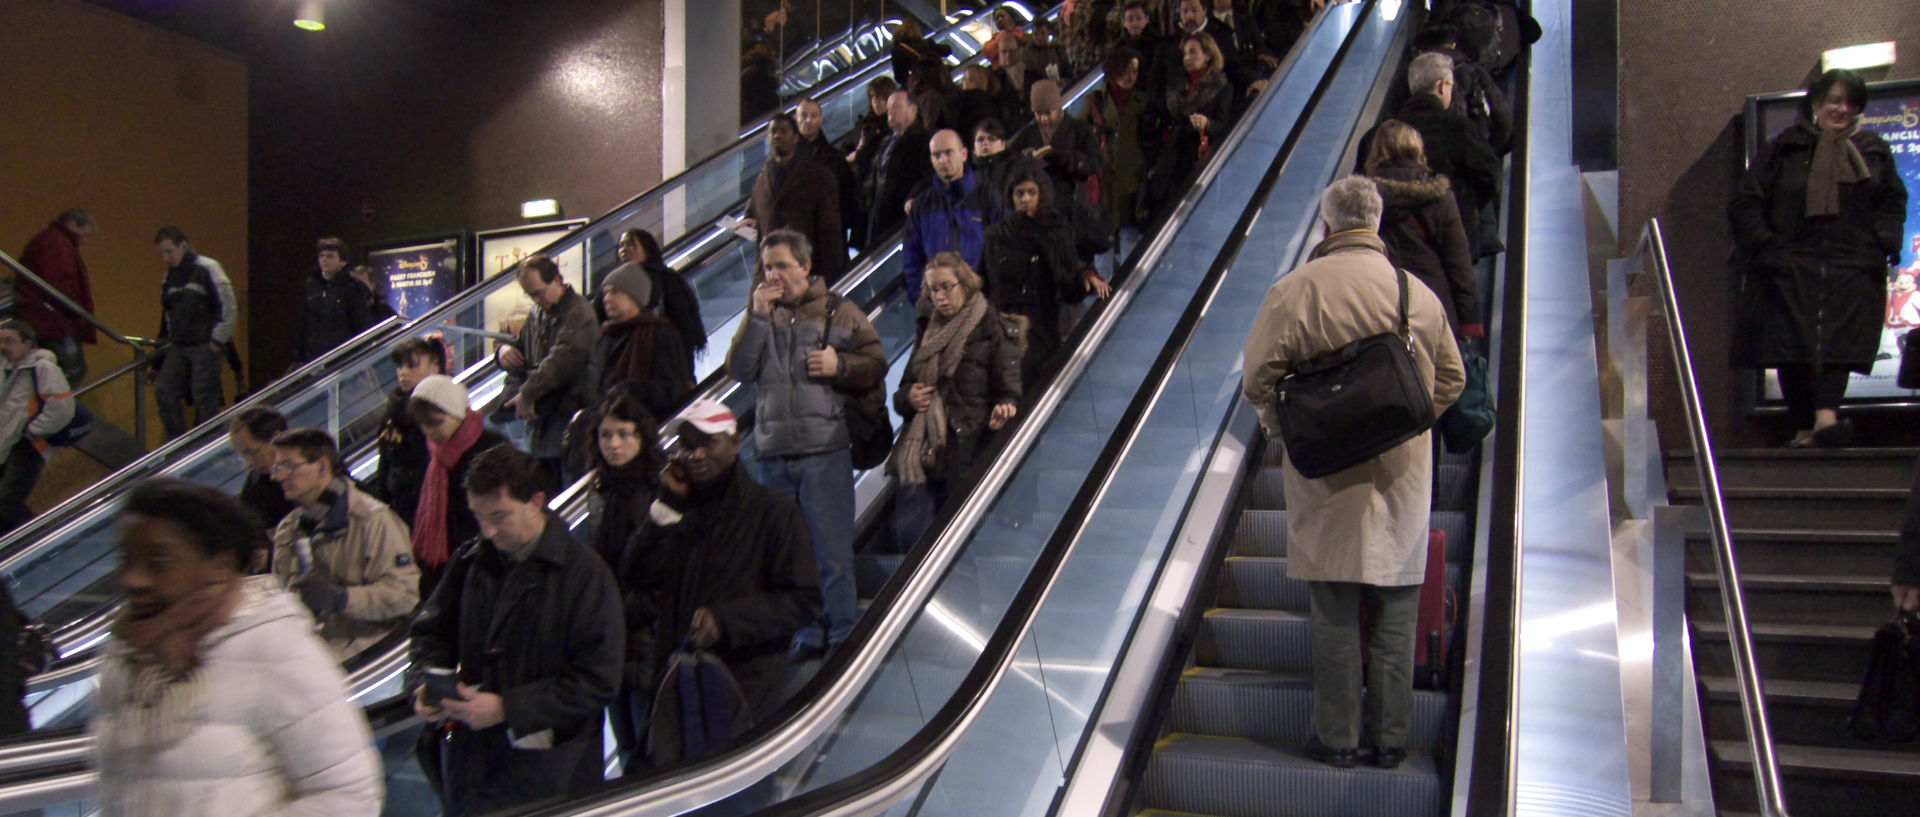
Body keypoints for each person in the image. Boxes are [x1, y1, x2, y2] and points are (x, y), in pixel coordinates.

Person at [1240, 177, 1464, 770]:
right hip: (1402, 477)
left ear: (1327, 227)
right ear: (1378, 222)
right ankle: (1391, 741)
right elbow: (1452, 380)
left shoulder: (1294, 291)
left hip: (1325, 476)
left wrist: (1282, 427)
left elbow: (1256, 379)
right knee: (1396, 612)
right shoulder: (1416, 294)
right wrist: (1407, 424)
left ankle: (1336, 739)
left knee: (1335, 613)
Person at [94, 478, 383, 816]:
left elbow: (350, 797)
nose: (132, 579)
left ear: (219, 569)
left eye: (158, 564)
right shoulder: (127, 653)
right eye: (127, 559)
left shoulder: (274, 650)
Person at [409, 445, 623, 817]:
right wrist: (425, 684)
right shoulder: (471, 561)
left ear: (536, 501)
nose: (488, 530)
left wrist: (508, 708)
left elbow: (600, 679)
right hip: (473, 766)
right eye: (479, 517)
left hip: (550, 774)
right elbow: (429, 633)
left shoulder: (585, 576)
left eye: (500, 516)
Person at [616, 399, 820, 765]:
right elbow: (634, 574)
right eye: (686, 445)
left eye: (707, 443)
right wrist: (664, 508)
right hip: (674, 680)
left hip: (743, 688)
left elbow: (803, 600)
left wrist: (726, 621)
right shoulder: (676, 508)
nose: (695, 454)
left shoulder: (772, 513)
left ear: (736, 442)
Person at [1730, 69, 1908, 448]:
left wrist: (1881, 242)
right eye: (1833, 100)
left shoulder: (1873, 148)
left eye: (1849, 102)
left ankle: (1825, 419)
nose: (1841, 109)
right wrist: (1765, 246)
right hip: (1790, 261)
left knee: (1840, 341)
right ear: (1815, 103)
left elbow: (1892, 201)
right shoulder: (1785, 147)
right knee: (1789, 343)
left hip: (1851, 263)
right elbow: (1746, 200)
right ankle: (1804, 425)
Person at [727, 230, 885, 656]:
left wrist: (841, 365)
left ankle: (842, 632)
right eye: (766, 266)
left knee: (831, 550)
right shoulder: (762, 314)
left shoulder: (840, 311)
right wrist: (757, 316)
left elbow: (875, 363)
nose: (772, 274)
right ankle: (807, 629)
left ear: (805, 267)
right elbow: (739, 369)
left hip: (824, 450)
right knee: (789, 556)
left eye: (780, 264)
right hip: (773, 452)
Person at [888, 253, 1024, 550]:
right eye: (933, 289)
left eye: (947, 287)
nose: (940, 296)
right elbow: (900, 395)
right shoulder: (928, 329)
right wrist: (909, 397)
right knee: (913, 532)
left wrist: (1006, 406)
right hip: (924, 447)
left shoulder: (991, 329)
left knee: (958, 540)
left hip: (967, 444)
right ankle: (908, 591)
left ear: (965, 284)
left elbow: (1009, 388)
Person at [267, 427, 419, 660]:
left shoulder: (372, 519)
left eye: (288, 466)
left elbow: (404, 596)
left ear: (322, 466)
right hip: (314, 660)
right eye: (277, 468)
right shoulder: (288, 530)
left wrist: (340, 598)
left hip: (367, 658)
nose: (278, 477)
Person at [1358, 52, 1501, 259]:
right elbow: (1490, 174)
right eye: (1451, 85)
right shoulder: (1458, 128)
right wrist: (1467, 205)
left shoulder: (1375, 135)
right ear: (1442, 86)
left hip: (1391, 248)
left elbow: (1361, 186)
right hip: (1451, 242)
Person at [983, 167, 1111, 387]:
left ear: (1042, 193)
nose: (1025, 199)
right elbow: (985, 280)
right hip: (1006, 325)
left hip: (1044, 322)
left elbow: (1068, 277)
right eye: (1019, 193)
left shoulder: (1056, 230)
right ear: (1010, 197)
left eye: (1032, 192)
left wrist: (1086, 277)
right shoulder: (997, 235)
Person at [1363, 120, 1482, 340]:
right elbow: (1458, 261)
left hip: (1379, 303)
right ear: (1417, 150)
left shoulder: (1362, 198)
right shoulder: (1439, 195)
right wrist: (1469, 319)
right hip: (1433, 302)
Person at [498, 254, 601, 485]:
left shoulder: (579, 313)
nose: (536, 300)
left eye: (539, 293)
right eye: (530, 295)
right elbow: (521, 348)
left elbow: (563, 359)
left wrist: (528, 393)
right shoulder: (537, 314)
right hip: (542, 425)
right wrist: (502, 351)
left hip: (570, 420)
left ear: (557, 280)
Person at [406, 374, 509, 600]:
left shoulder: (493, 450)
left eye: (437, 423)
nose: (430, 432)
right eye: (425, 426)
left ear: (457, 413)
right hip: (444, 565)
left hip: (482, 562)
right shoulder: (434, 454)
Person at [152, 227, 237, 439]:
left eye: (169, 251)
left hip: (205, 342)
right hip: (180, 343)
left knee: (204, 396)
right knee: (164, 391)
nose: (165, 258)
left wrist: (218, 339)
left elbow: (228, 305)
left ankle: (205, 444)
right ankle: (178, 442)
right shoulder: (169, 276)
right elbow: (168, 313)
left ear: (183, 245)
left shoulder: (208, 268)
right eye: (161, 253)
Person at [746, 113, 848, 283]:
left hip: (804, 272)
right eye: (773, 131)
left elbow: (830, 232)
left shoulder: (817, 176)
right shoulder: (762, 178)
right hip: (769, 274)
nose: (777, 135)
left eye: (783, 131)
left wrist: (830, 277)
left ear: (795, 138)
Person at [902, 129, 1001, 303]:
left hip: (982, 305)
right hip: (936, 308)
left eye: (948, 152)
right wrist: (922, 301)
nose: (943, 160)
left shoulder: (987, 197)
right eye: (936, 155)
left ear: (963, 154)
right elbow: (911, 259)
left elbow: (1002, 251)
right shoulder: (922, 205)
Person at [1144, 32, 1234, 219]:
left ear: (1208, 55)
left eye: (1193, 52)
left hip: (1198, 156)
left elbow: (1223, 125)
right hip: (1171, 154)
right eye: (1185, 53)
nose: (1187, 58)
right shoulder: (1175, 83)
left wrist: (1207, 123)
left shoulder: (1222, 87)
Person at [594, 262, 695, 420]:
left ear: (635, 297)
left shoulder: (660, 334)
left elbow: (674, 390)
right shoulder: (606, 335)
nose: (607, 299)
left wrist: (632, 389)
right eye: (605, 293)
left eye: (614, 292)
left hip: (643, 425)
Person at [0, 320, 73, 535]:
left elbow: (62, 408)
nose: (3, 346)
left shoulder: (43, 368)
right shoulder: (8, 369)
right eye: (1, 341)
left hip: (28, 445)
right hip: (7, 444)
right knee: (6, 502)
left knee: (6, 501)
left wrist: (32, 431)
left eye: (9, 341)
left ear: (28, 343)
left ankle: (39, 539)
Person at [15, 208, 98, 386]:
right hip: (52, 320)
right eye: (84, 235)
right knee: (70, 370)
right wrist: (76, 313)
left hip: (42, 316)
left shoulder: (49, 241)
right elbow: (60, 282)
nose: (84, 241)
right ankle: (57, 410)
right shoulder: (58, 244)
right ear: (73, 225)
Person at [372, 336, 446, 528]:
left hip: (431, 502)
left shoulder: (443, 408)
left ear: (434, 367)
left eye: (412, 366)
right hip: (398, 500)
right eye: (400, 366)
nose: (403, 373)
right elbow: (385, 458)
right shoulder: (393, 408)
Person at [1414, 21, 1511, 155]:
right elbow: (1502, 117)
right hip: (1475, 149)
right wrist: (1488, 150)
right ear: (1453, 45)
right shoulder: (1475, 71)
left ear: (1422, 51)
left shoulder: (1415, 75)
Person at [617, 228, 707, 373]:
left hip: (664, 361)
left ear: (647, 250)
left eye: (631, 244)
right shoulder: (616, 284)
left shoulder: (667, 281)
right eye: (621, 245)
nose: (624, 249)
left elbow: (684, 326)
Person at [1086, 48, 1156, 231]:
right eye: (1126, 70)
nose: (1130, 76)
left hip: (1132, 176)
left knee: (1129, 233)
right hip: (1104, 174)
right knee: (1102, 235)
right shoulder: (1096, 100)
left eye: (1134, 71)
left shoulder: (1142, 101)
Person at [1009, 79, 1104, 208]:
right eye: (1039, 114)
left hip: (1071, 202)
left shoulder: (1080, 129)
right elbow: (1012, 161)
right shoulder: (1028, 134)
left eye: (1048, 112)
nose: (1044, 118)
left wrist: (1067, 159)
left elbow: (1095, 162)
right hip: (1038, 206)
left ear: (1059, 107)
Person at [862, 91, 935, 245]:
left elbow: (928, 177)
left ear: (913, 110)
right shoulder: (886, 140)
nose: (890, 111)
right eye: (888, 107)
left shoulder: (924, 141)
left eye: (896, 106)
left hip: (902, 220)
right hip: (878, 217)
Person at [795, 98, 864, 253]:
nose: (808, 120)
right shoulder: (784, 158)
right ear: (796, 118)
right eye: (804, 115)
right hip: (794, 239)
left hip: (827, 241)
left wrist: (835, 225)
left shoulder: (835, 158)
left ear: (821, 119)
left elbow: (849, 197)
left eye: (813, 115)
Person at [295, 237, 376, 365]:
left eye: (330, 256)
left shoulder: (351, 287)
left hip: (342, 355)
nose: (324, 260)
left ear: (342, 261)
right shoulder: (311, 285)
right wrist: (299, 355)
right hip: (314, 355)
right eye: (321, 256)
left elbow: (362, 322)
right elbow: (303, 321)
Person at [226, 406, 296, 551]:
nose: (248, 463)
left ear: (277, 438)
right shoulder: (256, 480)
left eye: (252, 453)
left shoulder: (317, 476)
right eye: (243, 456)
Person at [889, 19, 953, 94]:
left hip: (916, 89)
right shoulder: (926, 44)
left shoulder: (897, 51)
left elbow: (899, 77)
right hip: (935, 84)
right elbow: (947, 51)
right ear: (917, 31)